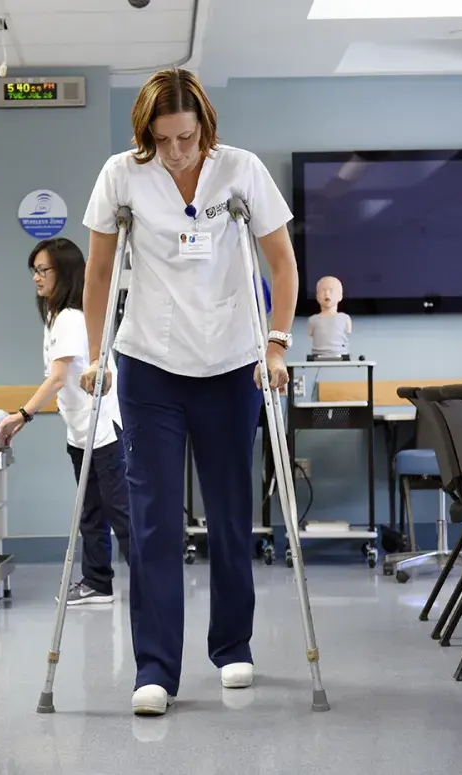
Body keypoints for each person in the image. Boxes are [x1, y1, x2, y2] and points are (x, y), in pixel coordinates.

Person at [80, 68, 298, 716]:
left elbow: (282, 263)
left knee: (232, 514)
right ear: (145, 134)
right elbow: (96, 273)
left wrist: (278, 344)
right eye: (163, 139)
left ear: (205, 126)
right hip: (149, 364)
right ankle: (154, 665)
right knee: (151, 522)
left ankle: (233, 645)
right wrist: (97, 354)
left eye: (186, 137)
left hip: (232, 362)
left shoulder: (242, 171)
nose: (176, 151)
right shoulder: (121, 175)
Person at [0, 237, 131, 605]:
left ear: (65, 272)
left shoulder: (72, 317)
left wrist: (22, 415)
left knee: (121, 514)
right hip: (81, 431)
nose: (36, 279)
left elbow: (56, 378)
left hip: (103, 430)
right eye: (34, 271)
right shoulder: (56, 316)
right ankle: (97, 582)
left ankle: (154, 585)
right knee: (90, 511)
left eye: (43, 270)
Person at [308, 275, 351, 358]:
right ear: (317, 296)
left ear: (340, 296)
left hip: (341, 354)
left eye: (331, 290)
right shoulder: (312, 320)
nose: (327, 294)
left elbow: (348, 330)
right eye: (323, 290)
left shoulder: (345, 319)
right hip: (317, 354)